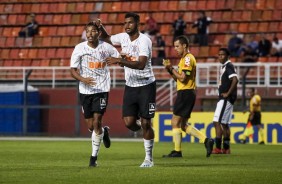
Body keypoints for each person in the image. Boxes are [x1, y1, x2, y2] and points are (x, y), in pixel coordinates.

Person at [97, 12, 156, 168]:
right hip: (130, 85)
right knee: (129, 123)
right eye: (125, 23)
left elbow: (141, 64)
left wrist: (119, 60)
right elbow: (107, 38)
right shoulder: (123, 37)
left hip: (146, 85)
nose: (127, 25)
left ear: (138, 23)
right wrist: (100, 27)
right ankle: (146, 128)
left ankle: (148, 159)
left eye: (130, 22)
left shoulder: (145, 41)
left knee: (145, 123)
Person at [70, 22, 119, 167]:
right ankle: (104, 131)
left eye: (93, 31)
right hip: (85, 91)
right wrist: (83, 79)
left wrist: (117, 61)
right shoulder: (79, 48)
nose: (90, 34)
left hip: (102, 89)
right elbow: (72, 70)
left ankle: (93, 158)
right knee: (92, 126)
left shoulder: (106, 47)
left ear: (98, 33)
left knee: (97, 121)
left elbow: (119, 57)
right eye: (87, 31)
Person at [162, 35, 214, 158]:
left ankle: (177, 151)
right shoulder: (183, 59)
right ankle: (206, 140)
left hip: (185, 92)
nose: (175, 49)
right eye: (174, 46)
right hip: (187, 92)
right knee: (183, 125)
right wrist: (169, 70)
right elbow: (177, 79)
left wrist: (171, 68)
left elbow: (183, 78)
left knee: (175, 121)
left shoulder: (187, 59)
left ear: (184, 45)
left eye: (177, 46)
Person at [212, 48, 238, 154]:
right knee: (225, 124)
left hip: (225, 99)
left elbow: (235, 79)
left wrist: (227, 93)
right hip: (227, 99)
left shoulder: (228, 66)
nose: (220, 56)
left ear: (228, 56)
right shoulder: (225, 67)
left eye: (222, 55)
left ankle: (218, 148)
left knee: (217, 121)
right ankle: (226, 148)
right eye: (219, 55)